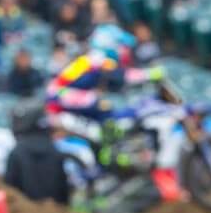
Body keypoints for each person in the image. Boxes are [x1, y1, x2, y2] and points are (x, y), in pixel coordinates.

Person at [45, 25, 165, 163]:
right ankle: (109, 154)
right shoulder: (97, 58)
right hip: (60, 98)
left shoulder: (90, 59)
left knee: (106, 108)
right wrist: (151, 73)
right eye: (121, 46)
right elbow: (124, 75)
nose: (124, 50)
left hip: (62, 99)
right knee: (104, 109)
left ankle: (111, 151)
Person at [3, 98, 69, 205]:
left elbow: (9, 188)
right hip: (52, 211)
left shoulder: (18, 152)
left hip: (23, 211)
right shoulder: (55, 151)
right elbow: (63, 193)